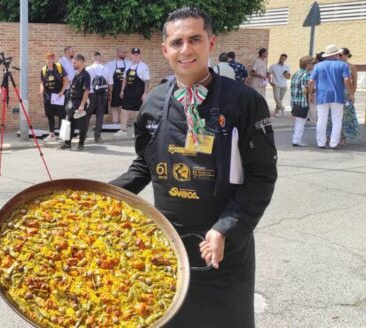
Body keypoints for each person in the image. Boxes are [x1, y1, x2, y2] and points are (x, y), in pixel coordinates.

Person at [110, 7, 277, 327]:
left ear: (211, 43)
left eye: (194, 39)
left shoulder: (244, 102)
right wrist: (98, 196)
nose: (185, 49)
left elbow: (262, 176)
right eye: (177, 42)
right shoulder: (154, 103)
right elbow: (144, 166)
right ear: (165, 50)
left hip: (222, 251)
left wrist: (225, 228)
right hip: (167, 249)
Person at [308, 44, 353, 149]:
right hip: (337, 96)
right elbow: (347, 80)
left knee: (321, 120)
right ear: (336, 54)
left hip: (322, 96)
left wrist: (310, 94)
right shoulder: (343, 65)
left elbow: (311, 81)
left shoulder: (318, 66)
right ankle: (333, 143)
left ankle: (321, 143)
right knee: (337, 120)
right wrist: (351, 93)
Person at [117, 47, 151, 137]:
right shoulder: (128, 65)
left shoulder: (144, 66)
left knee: (138, 112)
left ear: (139, 55)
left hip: (138, 93)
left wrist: (145, 93)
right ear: (131, 55)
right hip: (128, 92)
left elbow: (147, 81)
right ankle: (123, 130)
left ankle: (137, 131)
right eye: (134, 54)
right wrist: (122, 90)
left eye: (137, 54)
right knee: (124, 110)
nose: (135, 56)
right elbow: (125, 79)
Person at [60, 54, 91, 151]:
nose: (73, 64)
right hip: (72, 102)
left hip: (79, 103)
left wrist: (82, 105)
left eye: (74, 62)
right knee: (70, 123)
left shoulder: (86, 75)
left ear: (80, 62)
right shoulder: (77, 73)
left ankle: (81, 144)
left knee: (82, 125)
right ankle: (67, 143)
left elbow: (86, 91)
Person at [38, 51, 68, 142]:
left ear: (54, 59)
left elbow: (66, 80)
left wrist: (62, 92)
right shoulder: (43, 69)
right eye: (48, 58)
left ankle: (63, 135)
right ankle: (52, 135)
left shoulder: (59, 67)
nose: (50, 60)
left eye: (52, 58)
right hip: (48, 96)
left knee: (61, 115)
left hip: (58, 95)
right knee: (50, 115)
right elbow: (42, 82)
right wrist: (41, 90)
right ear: (45, 59)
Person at [336, 47, 361, 144]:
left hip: (346, 93)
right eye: (338, 54)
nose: (339, 56)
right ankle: (332, 135)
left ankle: (344, 137)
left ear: (346, 55)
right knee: (333, 115)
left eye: (341, 54)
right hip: (336, 92)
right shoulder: (336, 66)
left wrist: (352, 94)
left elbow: (354, 82)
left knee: (346, 116)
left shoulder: (351, 67)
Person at [290, 55, 314, 147]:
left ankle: (296, 139)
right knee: (301, 121)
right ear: (307, 64)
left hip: (295, 101)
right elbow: (306, 89)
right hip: (303, 102)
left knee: (299, 121)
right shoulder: (306, 75)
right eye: (312, 63)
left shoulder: (296, 73)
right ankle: (297, 140)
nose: (313, 65)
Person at [104, 47, 130, 126]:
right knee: (114, 107)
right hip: (115, 89)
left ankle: (124, 124)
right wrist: (109, 92)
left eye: (125, 53)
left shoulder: (129, 63)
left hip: (126, 89)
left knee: (125, 107)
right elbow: (107, 79)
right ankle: (115, 124)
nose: (124, 54)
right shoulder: (110, 64)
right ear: (118, 53)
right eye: (123, 52)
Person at [85, 51, 108, 143]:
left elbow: (85, 84)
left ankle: (84, 134)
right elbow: (110, 84)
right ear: (100, 58)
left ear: (93, 58)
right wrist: (109, 95)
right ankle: (97, 136)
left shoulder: (88, 69)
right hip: (102, 94)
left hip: (91, 94)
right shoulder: (106, 69)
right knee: (100, 115)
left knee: (87, 114)